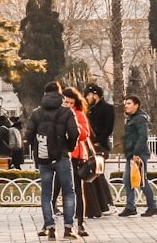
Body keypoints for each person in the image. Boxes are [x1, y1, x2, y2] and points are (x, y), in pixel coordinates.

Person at [25, 81, 79, 240]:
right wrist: (69, 147)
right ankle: (68, 229)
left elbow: (28, 136)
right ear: (59, 93)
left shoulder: (36, 113)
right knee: (69, 192)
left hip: (44, 158)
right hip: (62, 156)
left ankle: (50, 228)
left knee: (46, 195)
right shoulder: (67, 112)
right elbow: (74, 133)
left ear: (45, 94)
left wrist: (37, 147)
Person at [121, 95, 157, 217]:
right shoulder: (131, 118)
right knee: (127, 179)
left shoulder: (140, 119)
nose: (126, 105)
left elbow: (143, 137)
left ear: (136, 105)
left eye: (129, 103)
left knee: (141, 180)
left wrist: (136, 153)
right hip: (131, 154)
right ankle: (130, 206)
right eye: (125, 103)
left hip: (139, 153)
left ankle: (153, 206)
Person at [61, 87, 92, 237]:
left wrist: (74, 125)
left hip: (76, 156)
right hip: (61, 156)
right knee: (58, 191)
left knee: (77, 191)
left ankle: (80, 222)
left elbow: (85, 134)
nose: (67, 105)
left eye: (70, 103)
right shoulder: (57, 114)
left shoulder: (78, 114)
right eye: (65, 102)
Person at [84, 84, 114, 215]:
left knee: (99, 173)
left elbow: (108, 129)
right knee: (93, 176)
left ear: (95, 95)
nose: (86, 98)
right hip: (89, 146)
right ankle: (99, 205)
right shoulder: (88, 109)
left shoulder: (108, 109)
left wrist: (97, 142)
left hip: (100, 146)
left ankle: (108, 203)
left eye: (88, 95)